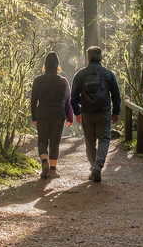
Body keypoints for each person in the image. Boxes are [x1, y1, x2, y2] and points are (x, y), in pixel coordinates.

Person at [70, 45, 121, 182]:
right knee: (104, 139)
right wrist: (116, 112)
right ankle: (97, 167)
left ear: (87, 58)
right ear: (101, 58)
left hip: (87, 113)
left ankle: (94, 167)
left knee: (90, 142)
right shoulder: (108, 74)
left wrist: (77, 112)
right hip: (104, 112)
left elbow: (73, 97)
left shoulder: (80, 75)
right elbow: (116, 95)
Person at [29, 51, 73, 179]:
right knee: (54, 143)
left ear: (45, 65)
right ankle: (53, 171)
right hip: (58, 115)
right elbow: (67, 100)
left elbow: (33, 101)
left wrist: (34, 117)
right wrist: (69, 117)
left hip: (42, 113)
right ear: (57, 65)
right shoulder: (63, 81)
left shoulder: (38, 80)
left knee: (42, 141)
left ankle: (44, 162)